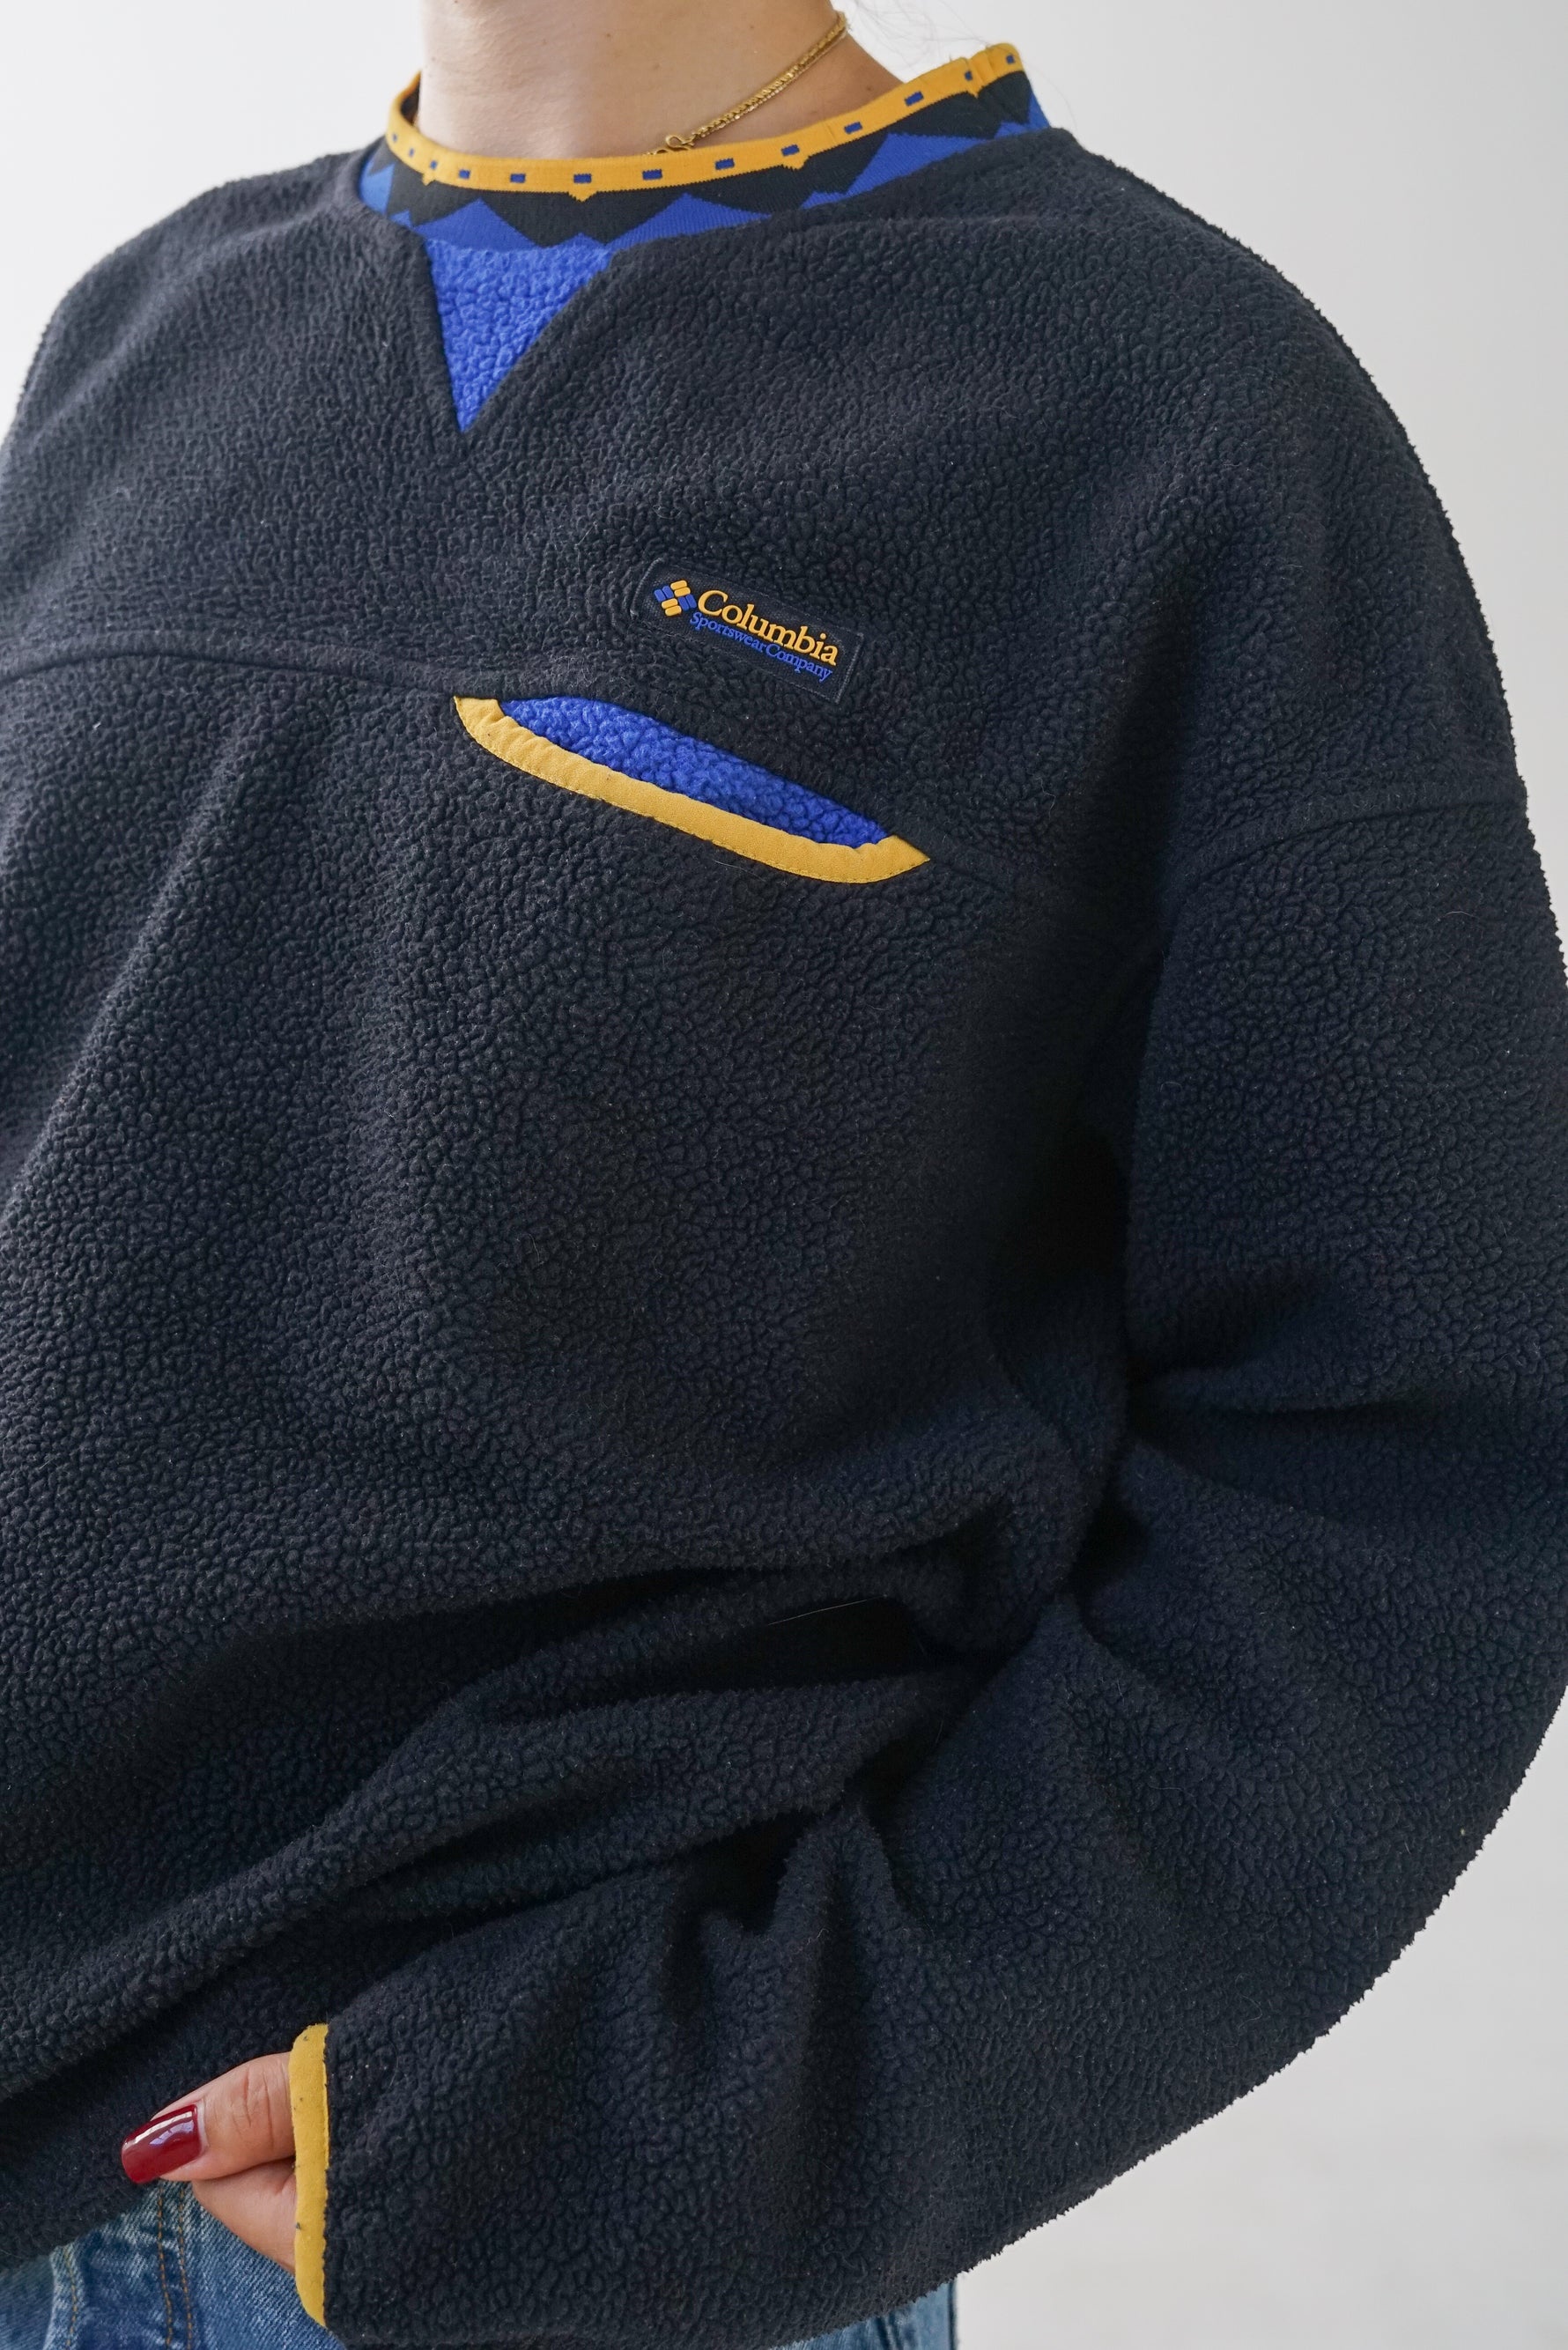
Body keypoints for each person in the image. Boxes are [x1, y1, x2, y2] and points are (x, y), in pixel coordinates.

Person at [0, 0, 1564, 2343]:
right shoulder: (142, 334)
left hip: (497, 2222)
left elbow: (1407, 1468)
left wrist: (699, 2123)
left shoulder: (1172, 412)